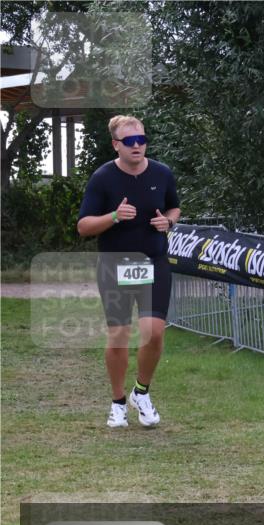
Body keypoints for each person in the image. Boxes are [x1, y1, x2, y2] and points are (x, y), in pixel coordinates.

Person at [77, 115, 180, 428]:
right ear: (116, 145)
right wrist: (114, 216)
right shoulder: (102, 178)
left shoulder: (162, 173)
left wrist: (170, 222)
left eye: (142, 140)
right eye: (130, 141)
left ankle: (142, 392)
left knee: (155, 333)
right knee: (119, 335)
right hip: (115, 265)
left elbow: (174, 206)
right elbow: (83, 227)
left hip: (153, 262)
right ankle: (118, 401)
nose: (137, 146)